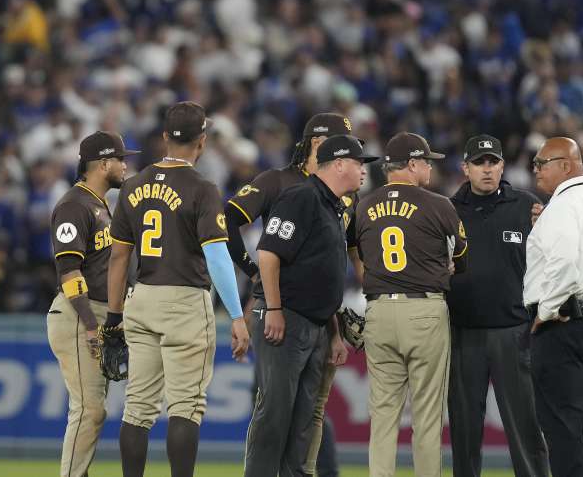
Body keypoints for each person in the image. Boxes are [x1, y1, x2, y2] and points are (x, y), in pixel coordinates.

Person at [105, 101, 250, 477]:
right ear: (202, 141)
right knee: (186, 406)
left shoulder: (133, 186)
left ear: (166, 138)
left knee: (137, 408)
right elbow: (218, 257)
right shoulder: (202, 188)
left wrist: (114, 316)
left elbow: (119, 258)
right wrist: (237, 315)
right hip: (185, 299)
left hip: (142, 297)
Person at [225, 112, 365, 477]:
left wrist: (334, 328)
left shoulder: (338, 200)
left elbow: (340, 260)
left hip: (317, 318)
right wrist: (255, 279)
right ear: (321, 144)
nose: (361, 166)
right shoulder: (284, 185)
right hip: (281, 310)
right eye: (349, 152)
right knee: (275, 408)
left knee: (308, 413)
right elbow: (240, 230)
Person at [357, 132, 467, 477]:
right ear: (413, 164)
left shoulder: (363, 206)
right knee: (427, 416)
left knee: (384, 417)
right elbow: (462, 255)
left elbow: (358, 255)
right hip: (423, 310)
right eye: (427, 162)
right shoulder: (439, 204)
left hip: (378, 311)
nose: (430, 168)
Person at [447, 135, 550, 477]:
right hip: (463, 333)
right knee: (464, 429)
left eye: (493, 162)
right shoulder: (448, 210)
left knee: (525, 424)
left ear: (503, 166)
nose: (487, 169)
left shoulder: (527, 206)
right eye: (479, 163)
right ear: (466, 169)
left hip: (514, 330)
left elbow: (549, 260)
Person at [524, 137, 583, 477]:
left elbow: (563, 263)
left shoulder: (563, 206)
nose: (535, 169)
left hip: (564, 321)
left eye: (541, 163)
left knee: (562, 425)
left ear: (565, 166)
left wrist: (544, 312)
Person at [47, 131, 138, 477]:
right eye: (120, 158)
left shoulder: (99, 205)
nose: (125, 164)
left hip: (99, 313)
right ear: (102, 164)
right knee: (89, 410)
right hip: (76, 314)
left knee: (93, 409)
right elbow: (69, 271)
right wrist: (89, 324)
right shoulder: (74, 204)